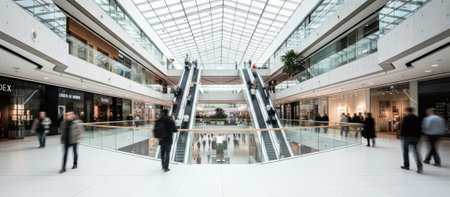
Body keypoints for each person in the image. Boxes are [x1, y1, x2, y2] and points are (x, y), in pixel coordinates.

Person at [398, 107, 423, 173]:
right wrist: (419, 136)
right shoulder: (417, 118)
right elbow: (420, 128)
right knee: (416, 151)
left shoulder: (406, 118)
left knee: (406, 151)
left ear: (407, 111)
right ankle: (419, 165)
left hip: (407, 137)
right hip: (415, 137)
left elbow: (404, 128)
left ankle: (406, 165)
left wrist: (401, 135)